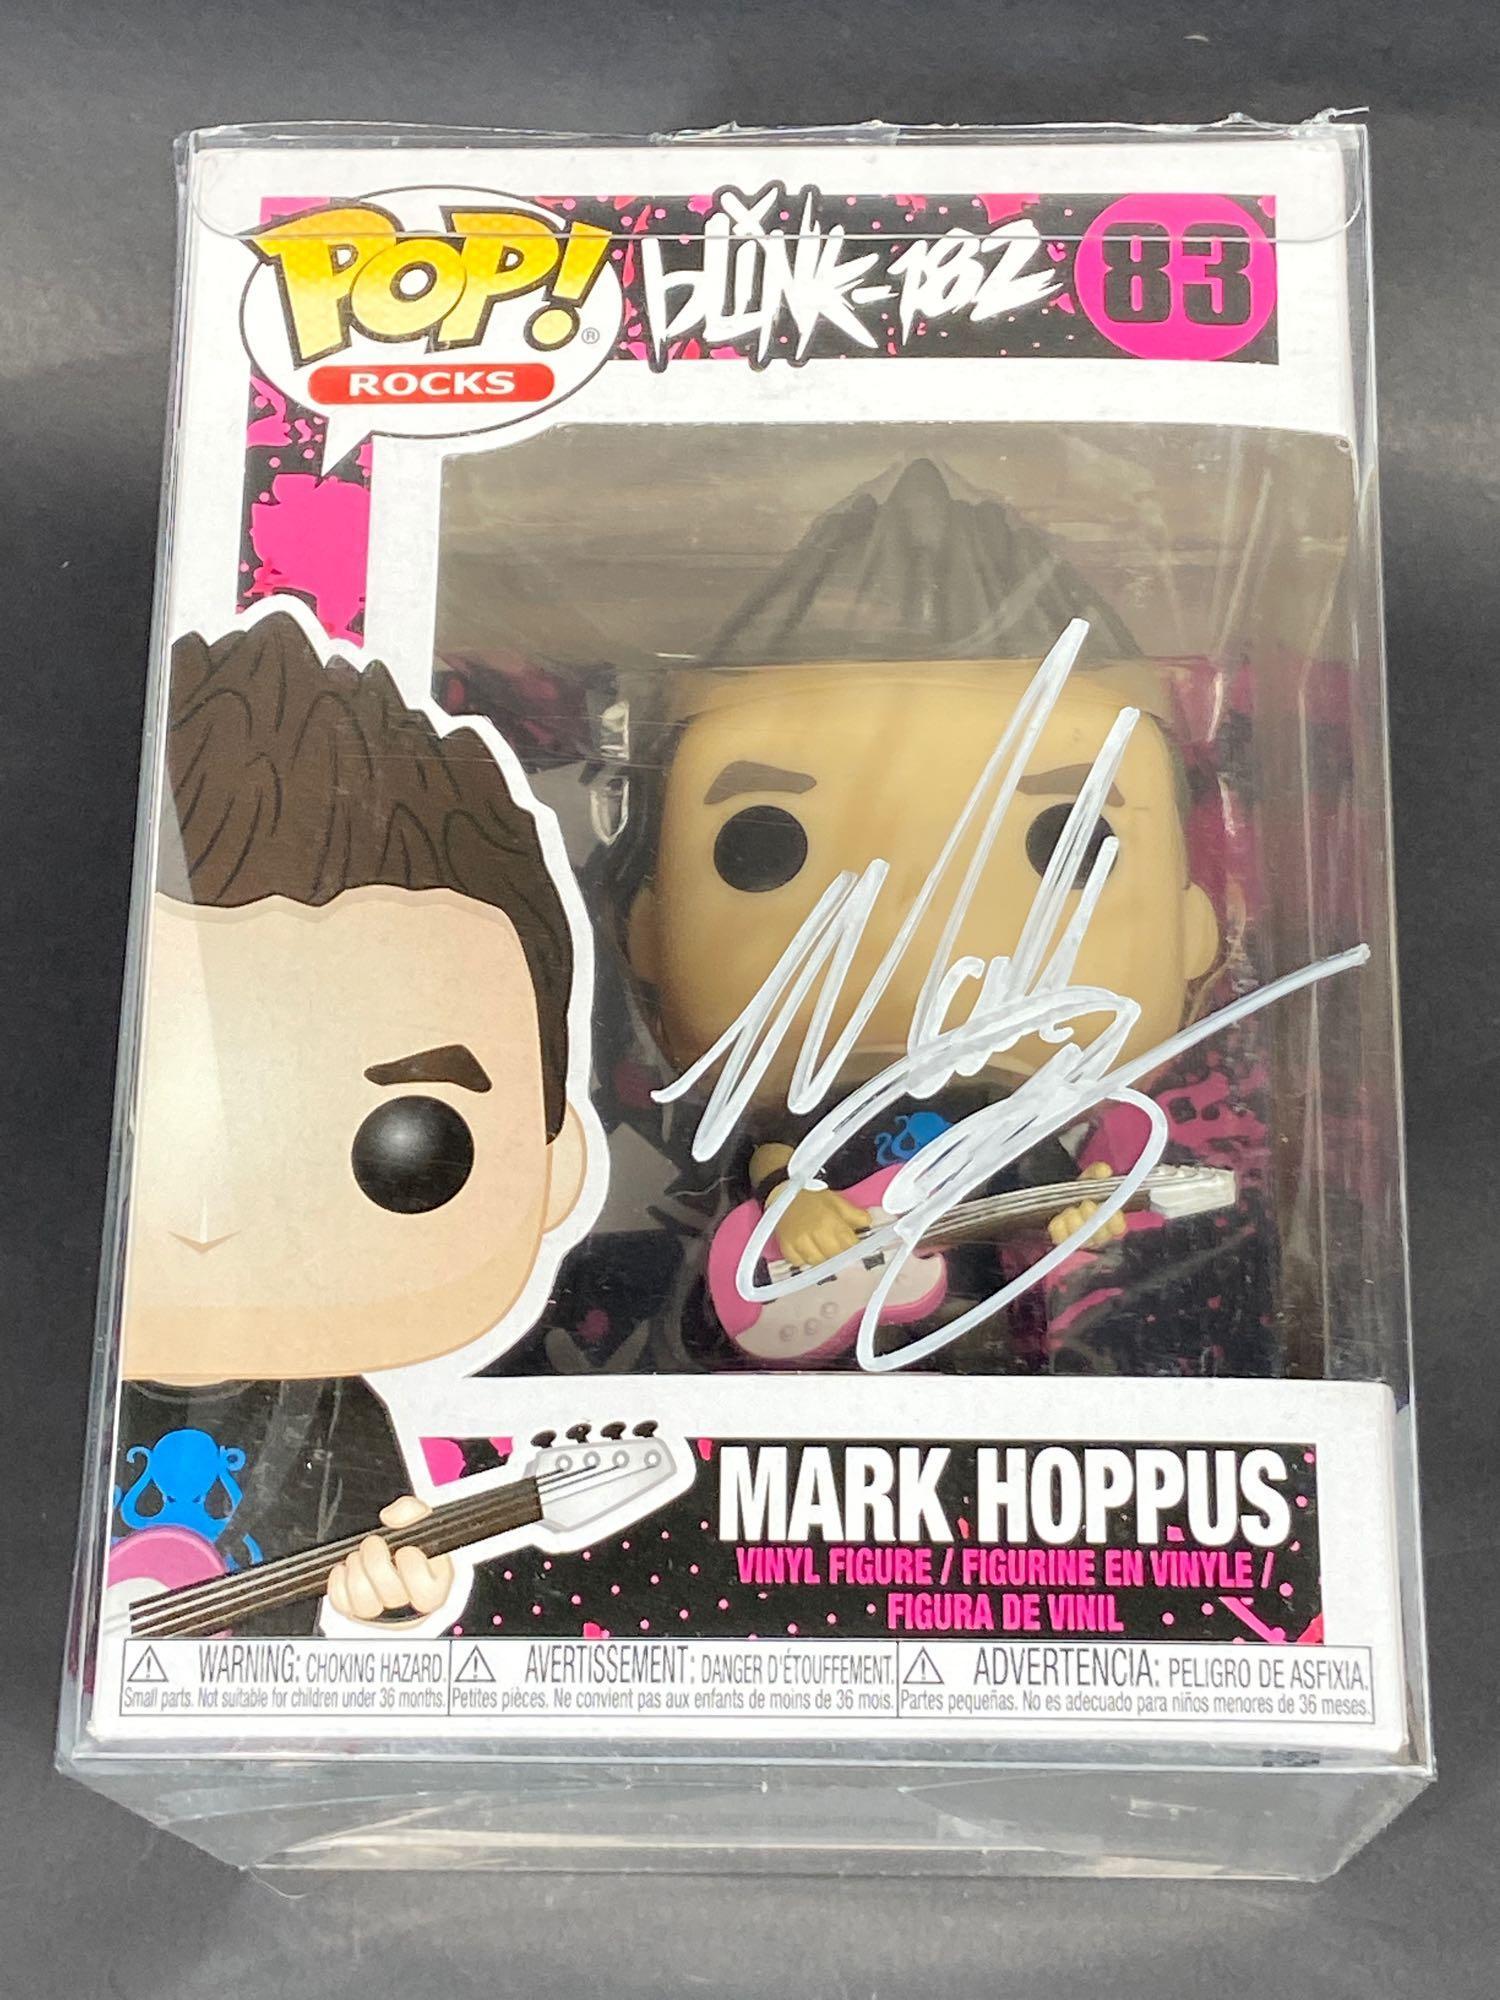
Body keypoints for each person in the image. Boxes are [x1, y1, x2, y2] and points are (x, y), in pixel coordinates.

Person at [623, 460, 1220, 1365]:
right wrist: (797, 1201)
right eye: (763, 844)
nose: (916, 917)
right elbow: (775, 1159)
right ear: (644, 931)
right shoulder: (813, 1102)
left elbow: (1050, 1194)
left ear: (1197, 930)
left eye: (1066, 840)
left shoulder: (1018, 1118)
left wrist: (1078, 1212)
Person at [109, 611, 590, 1631]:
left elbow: (374, 1574)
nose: (208, 1220)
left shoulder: (337, 1412)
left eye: (411, 1147)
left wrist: (395, 1606)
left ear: (557, 1161)